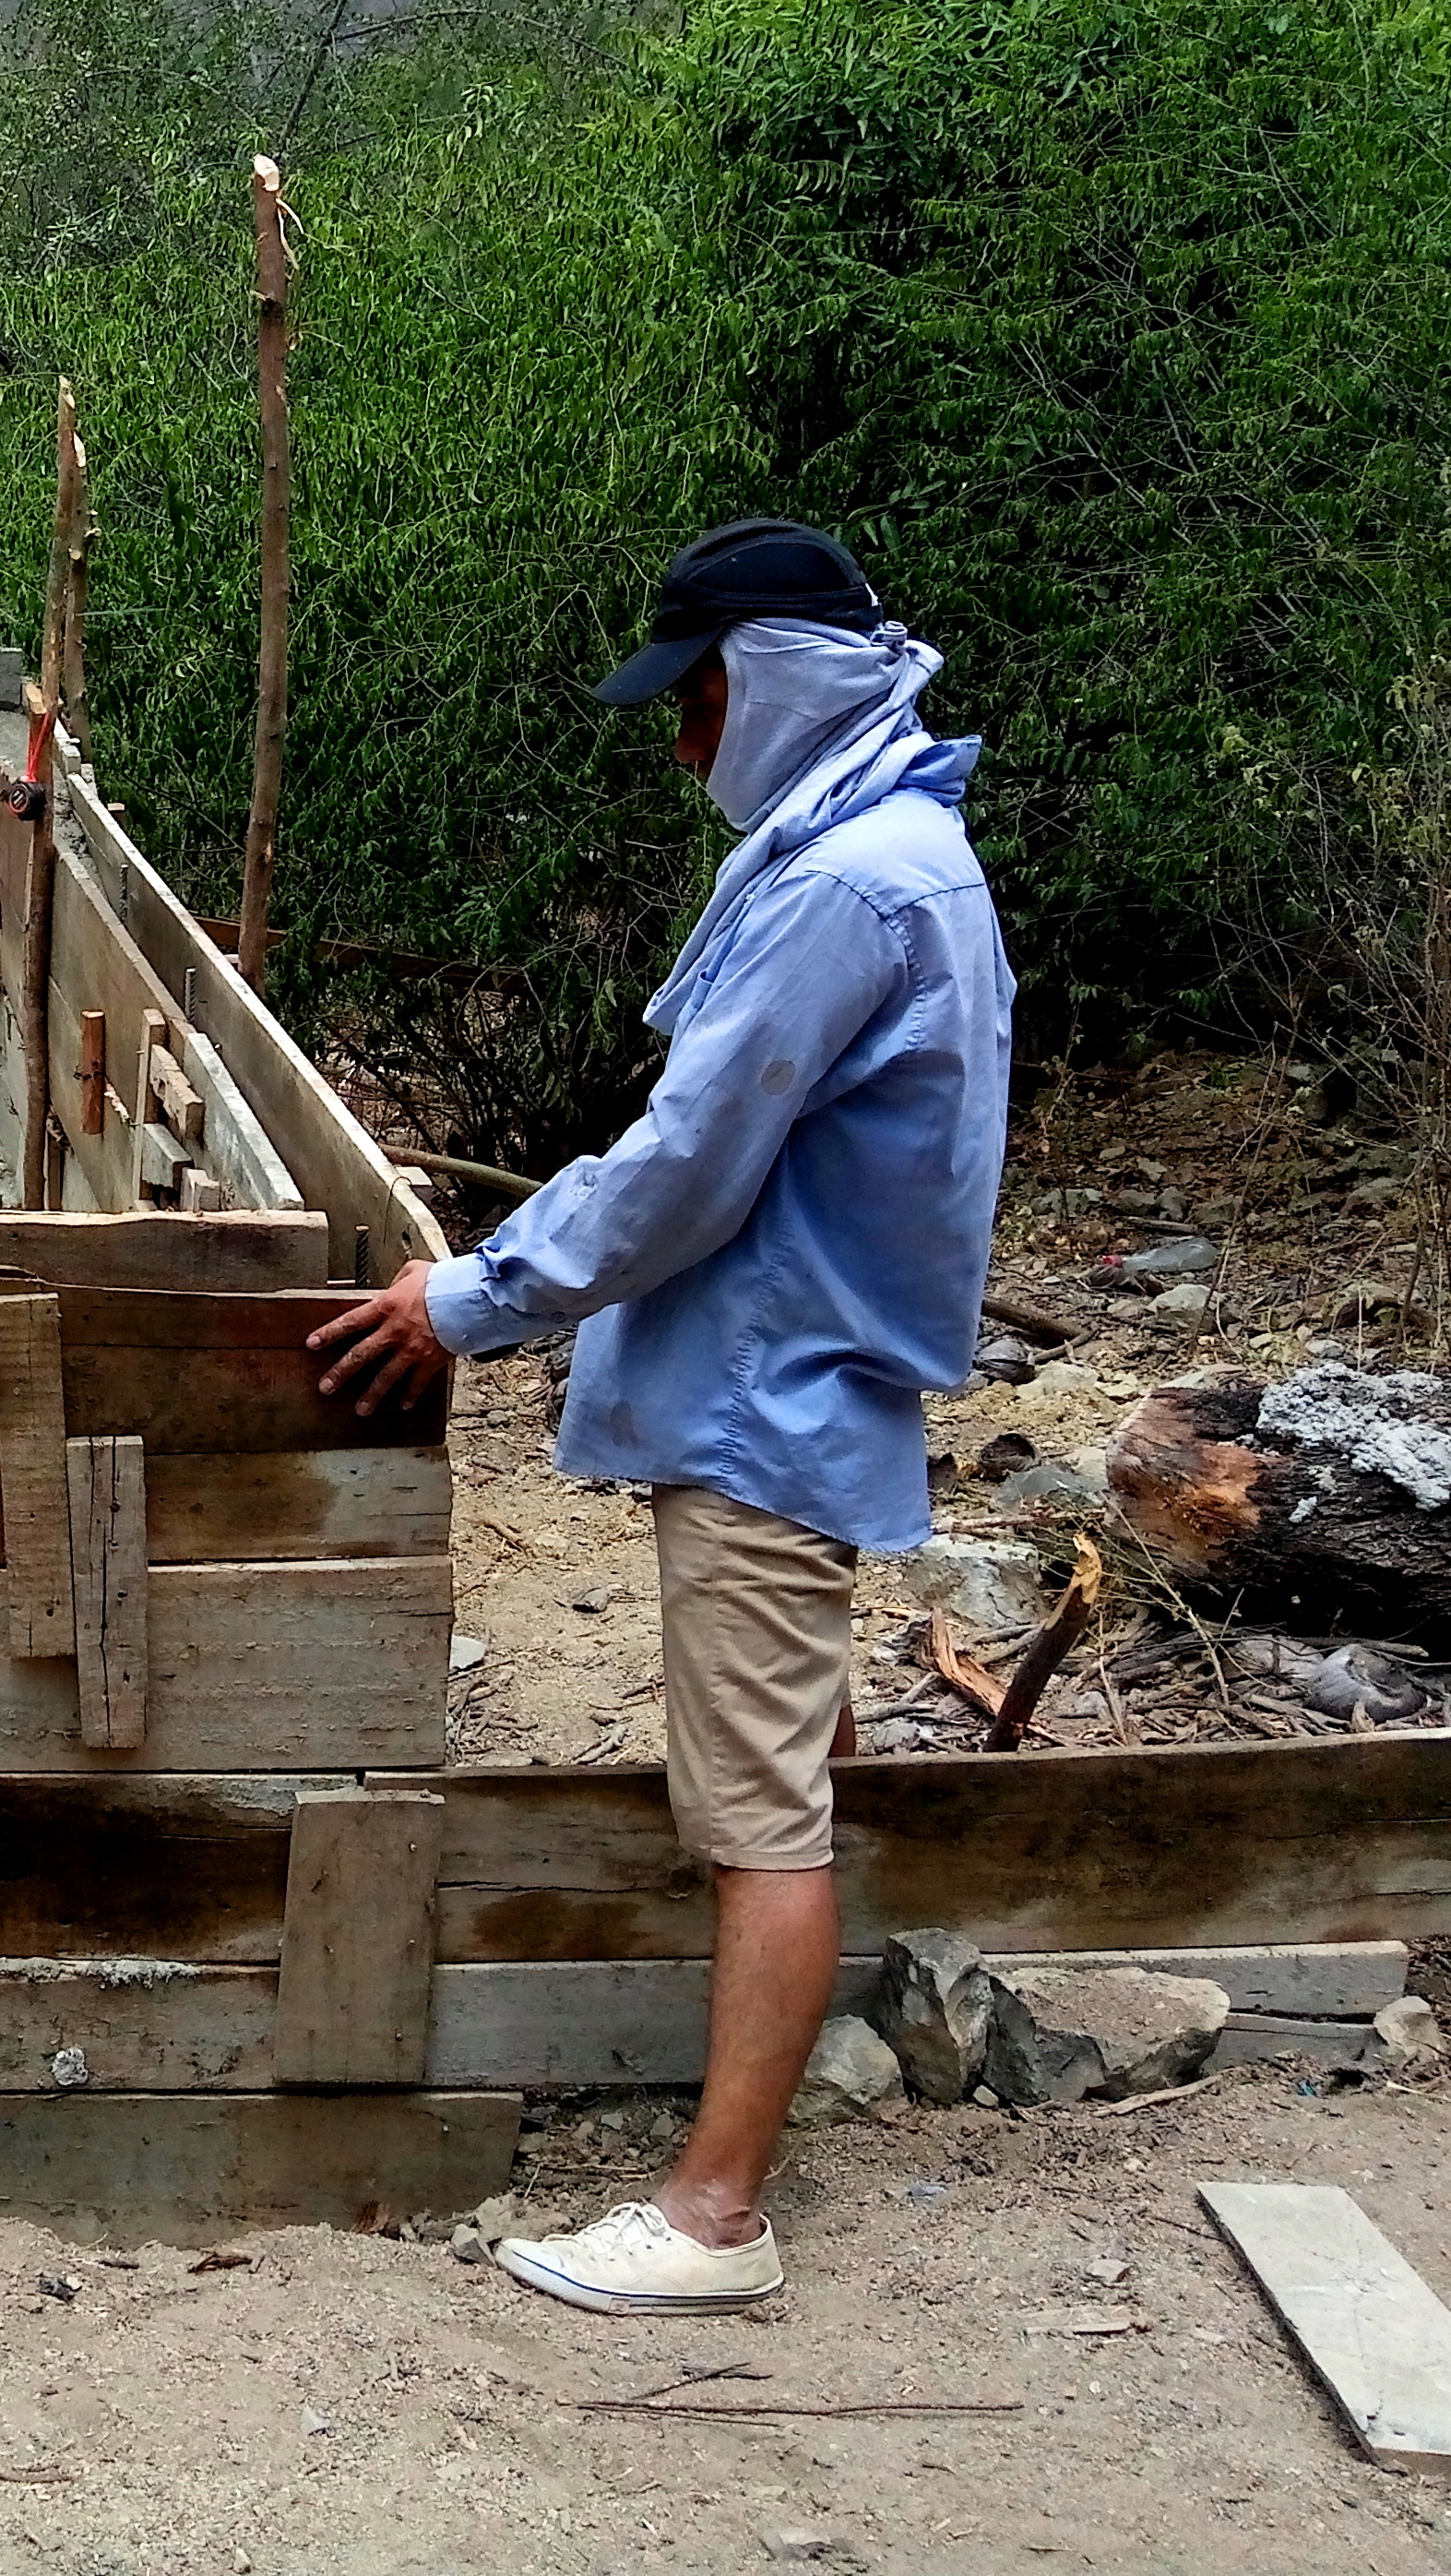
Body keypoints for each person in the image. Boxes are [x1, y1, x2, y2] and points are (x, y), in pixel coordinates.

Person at [306, 519, 1013, 2315]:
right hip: (794, 1385)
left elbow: (688, 1164)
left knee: (758, 1816)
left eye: (696, 704)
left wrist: (466, 1300)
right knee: (788, 1761)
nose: (686, 746)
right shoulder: (874, 853)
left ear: (767, 680)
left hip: (766, 1405)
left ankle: (716, 2216)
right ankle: (806, 2086)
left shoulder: (850, 886)